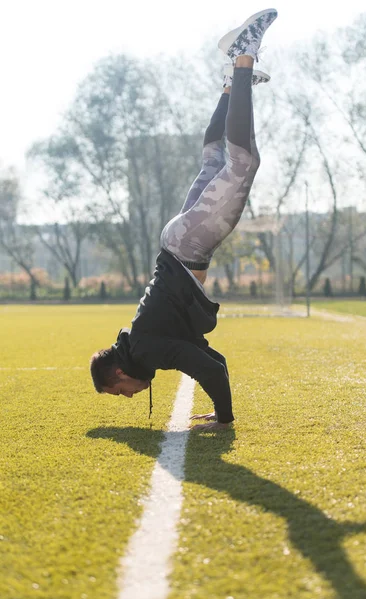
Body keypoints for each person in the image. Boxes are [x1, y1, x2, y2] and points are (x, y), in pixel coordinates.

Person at [90, 8, 278, 431]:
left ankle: (243, 57)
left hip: (190, 245)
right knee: (214, 160)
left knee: (243, 163)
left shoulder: (147, 350)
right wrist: (219, 401)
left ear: (118, 375)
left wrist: (224, 421)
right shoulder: (143, 344)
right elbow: (215, 361)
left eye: (121, 392)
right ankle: (232, 85)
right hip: (177, 242)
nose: (130, 396)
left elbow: (206, 370)